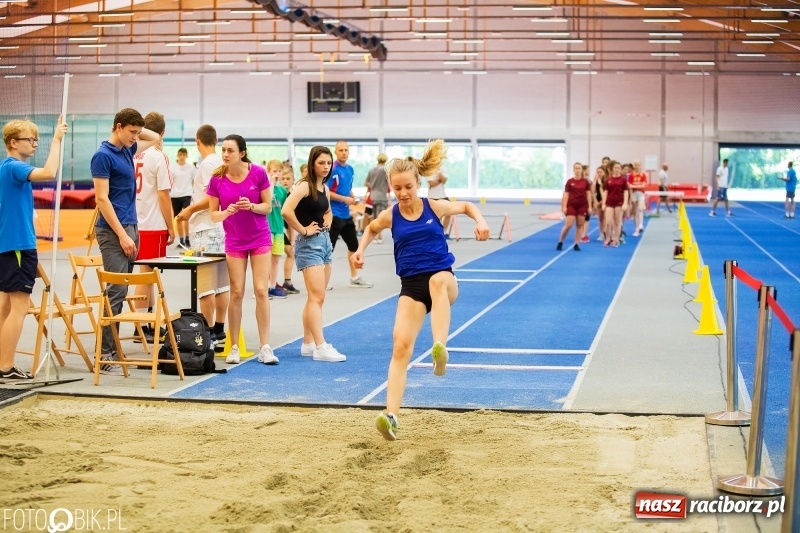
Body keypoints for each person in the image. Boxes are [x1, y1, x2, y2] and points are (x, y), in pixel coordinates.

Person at [351, 140, 490, 441]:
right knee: (400, 346)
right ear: (391, 188)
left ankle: (440, 348)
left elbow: (466, 206)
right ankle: (391, 417)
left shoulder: (433, 206)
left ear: (417, 184)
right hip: (411, 285)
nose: (403, 194)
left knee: (436, 281)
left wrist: (479, 221)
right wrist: (359, 250)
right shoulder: (391, 215)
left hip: (443, 278)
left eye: (408, 188)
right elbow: (372, 228)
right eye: (397, 189)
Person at [91, 108, 161, 373]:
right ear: (118, 127)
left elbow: (153, 136)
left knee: (122, 289)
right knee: (116, 290)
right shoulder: (103, 156)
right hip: (113, 230)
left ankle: (112, 346)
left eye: (136, 132)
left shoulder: (126, 150)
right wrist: (121, 234)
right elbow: (101, 199)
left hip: (131, 226)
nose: (135, 137)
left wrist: (134, 131)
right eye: (131, 132)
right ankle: (105, 351)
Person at [0, 116, 68, 380]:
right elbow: (48, 173)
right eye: (31, 139)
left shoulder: (6, 169)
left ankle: (3, 363)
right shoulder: (14, 167)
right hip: (18, 245)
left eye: (37, 139)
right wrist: (56, 140)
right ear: (14, 143)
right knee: (19, 307)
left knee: (6, 306)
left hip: (10, 244)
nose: (35, 144)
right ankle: (5, 366)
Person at [206, 134, 278, 366]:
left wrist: (252, 206)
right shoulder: (217, 178)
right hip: (234, 241)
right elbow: (213, 214)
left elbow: (268, 207)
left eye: (230, 151)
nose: (225, 154)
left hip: (259, 238)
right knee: (236, 292)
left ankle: (265, 347)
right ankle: (234, 345)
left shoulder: (258, 173)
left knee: (260, 290)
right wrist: (228, 212)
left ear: (242, 153)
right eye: (223, 150)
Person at [281, 146, 347, 362]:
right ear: (312, 164)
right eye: (321, 163)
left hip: (324, 242)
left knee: (317, 297)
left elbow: (327, 210)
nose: (326, 167)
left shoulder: (324, 188)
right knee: (317, 297)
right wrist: (303, 230)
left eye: (328, 163)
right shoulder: (302, 186)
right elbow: (286, 210)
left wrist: (327, 221)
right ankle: (320, 346)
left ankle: (308, 343)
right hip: (308, 245)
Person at [175, 125, 229, 351]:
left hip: (207, 227)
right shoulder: (220, 162)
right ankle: (218, 330)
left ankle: (209, 333)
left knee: (206, 286)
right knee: (220, 283)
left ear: (198, 142)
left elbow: (212, 197)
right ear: (216, 140)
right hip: (219, 227)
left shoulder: (208, 164)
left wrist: (189, 210)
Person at [132, 112, 174, 343]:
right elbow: (163, 196)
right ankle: (140, 326)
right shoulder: (158, 156)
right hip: (152, 222)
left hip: (132, 220)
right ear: (163, 133)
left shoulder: (131, 152)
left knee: (144, 274)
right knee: (147, 275)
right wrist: (172, 226)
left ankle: (146, 323)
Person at [329, 140, 372, 289]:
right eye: (340, 150)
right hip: (334, 215)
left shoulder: (350, 169)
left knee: (354, 246)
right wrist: (344, 199)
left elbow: (347, 188)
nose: (344, 152)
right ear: (335, 152)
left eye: (346, 150)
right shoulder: (332, 170)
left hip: (346, 215)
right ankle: (322, 281)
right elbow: (326, 192)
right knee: (328, 250)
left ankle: (354, 278)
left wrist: (352, 198)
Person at [557, 162, 592, 252]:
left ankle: (576, 244)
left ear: (581, 170)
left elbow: (588, 194)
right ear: (573, 170)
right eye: (576, 168)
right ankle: (561, 241)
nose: (577, 170)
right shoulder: (570, 182)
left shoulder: (585, 182)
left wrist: (590, 207)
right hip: (571, 205)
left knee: (580, 225)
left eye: (579, 168)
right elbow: (566, 194)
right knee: (568, 224)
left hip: (582, 205)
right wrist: (564, 206)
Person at [267, 167, 290, 299]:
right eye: (274, 170)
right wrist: (271, 183)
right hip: (267, 229)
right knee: (264, 261)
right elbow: (268, 202)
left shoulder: (282, 191)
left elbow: (286, 211)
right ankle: (262, 288)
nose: (277, 173)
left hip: (279, 230)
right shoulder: (265, 188)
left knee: (275, 261)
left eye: (279, 171)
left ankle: (272, 286)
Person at [279, 168, 300, 294]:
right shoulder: (276, 194)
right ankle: (271, 284)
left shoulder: (291, 197)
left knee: (290, 254)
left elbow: (290, 221)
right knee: (272, 259)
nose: (285, 181)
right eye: (283, 179)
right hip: (274, 229)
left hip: (282, 230)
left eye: (288, 179)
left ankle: (287, 282)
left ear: (293, 181)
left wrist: (292, 239)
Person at [169, 147, 195, 249]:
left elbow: (194, 181)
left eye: (184, 155)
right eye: (180, 155)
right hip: (175, 195)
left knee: (186, 216)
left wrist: (193, 192)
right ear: (178, 156)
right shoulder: (173, 168)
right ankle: (181, 239)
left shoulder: (191, 168)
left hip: (187, 194)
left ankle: (187, 238)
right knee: (178, 218)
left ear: (186, 156)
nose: (182, 157)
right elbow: (170, 182)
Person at [601, 161, 629, 248]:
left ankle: (616, 239)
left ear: (620, 170)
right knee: (608, 222)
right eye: (615, 168)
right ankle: (608, 238)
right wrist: (603, 203)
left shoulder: (623, 180)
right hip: (609, 202)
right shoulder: (608, 180)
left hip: (619, 203)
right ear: (612, 169)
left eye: (618, 168)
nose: (616, 169)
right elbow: (606, 192)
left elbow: (626, 192)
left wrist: (625, 203)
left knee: (617, 222)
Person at [364, 153, 390, 244]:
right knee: (381, 217)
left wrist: (373, 186)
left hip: (373, 196)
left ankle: (375, 237)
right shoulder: (385, 170)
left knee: (374, 217)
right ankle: (379, 236)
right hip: (382, 196)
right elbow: (390, 183)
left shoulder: (371, 170)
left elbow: (366, 183)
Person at [426, 169, 452, 236]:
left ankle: (444, 232)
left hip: (442, 196)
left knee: (449, 213)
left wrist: (440, 176)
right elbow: (431, 183)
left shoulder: (442, 168)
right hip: (432, 197)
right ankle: (435, 232)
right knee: (435, 216)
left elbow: (444, 180)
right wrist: (440, 180)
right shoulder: (428, 169)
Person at [628, 161, 647, 237]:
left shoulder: (643, 175)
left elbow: (643, 185)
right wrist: (634, 187)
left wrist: (634, 186)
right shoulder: (631, 175)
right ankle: (636, 229)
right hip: (634, 194)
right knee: (635, 212)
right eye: (635, 165)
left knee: (640, 208)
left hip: (641, 193)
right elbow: (629, 185)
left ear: (640, 166)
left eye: (638, 165)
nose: (637, 166)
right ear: (634, 166)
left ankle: (641, 225)